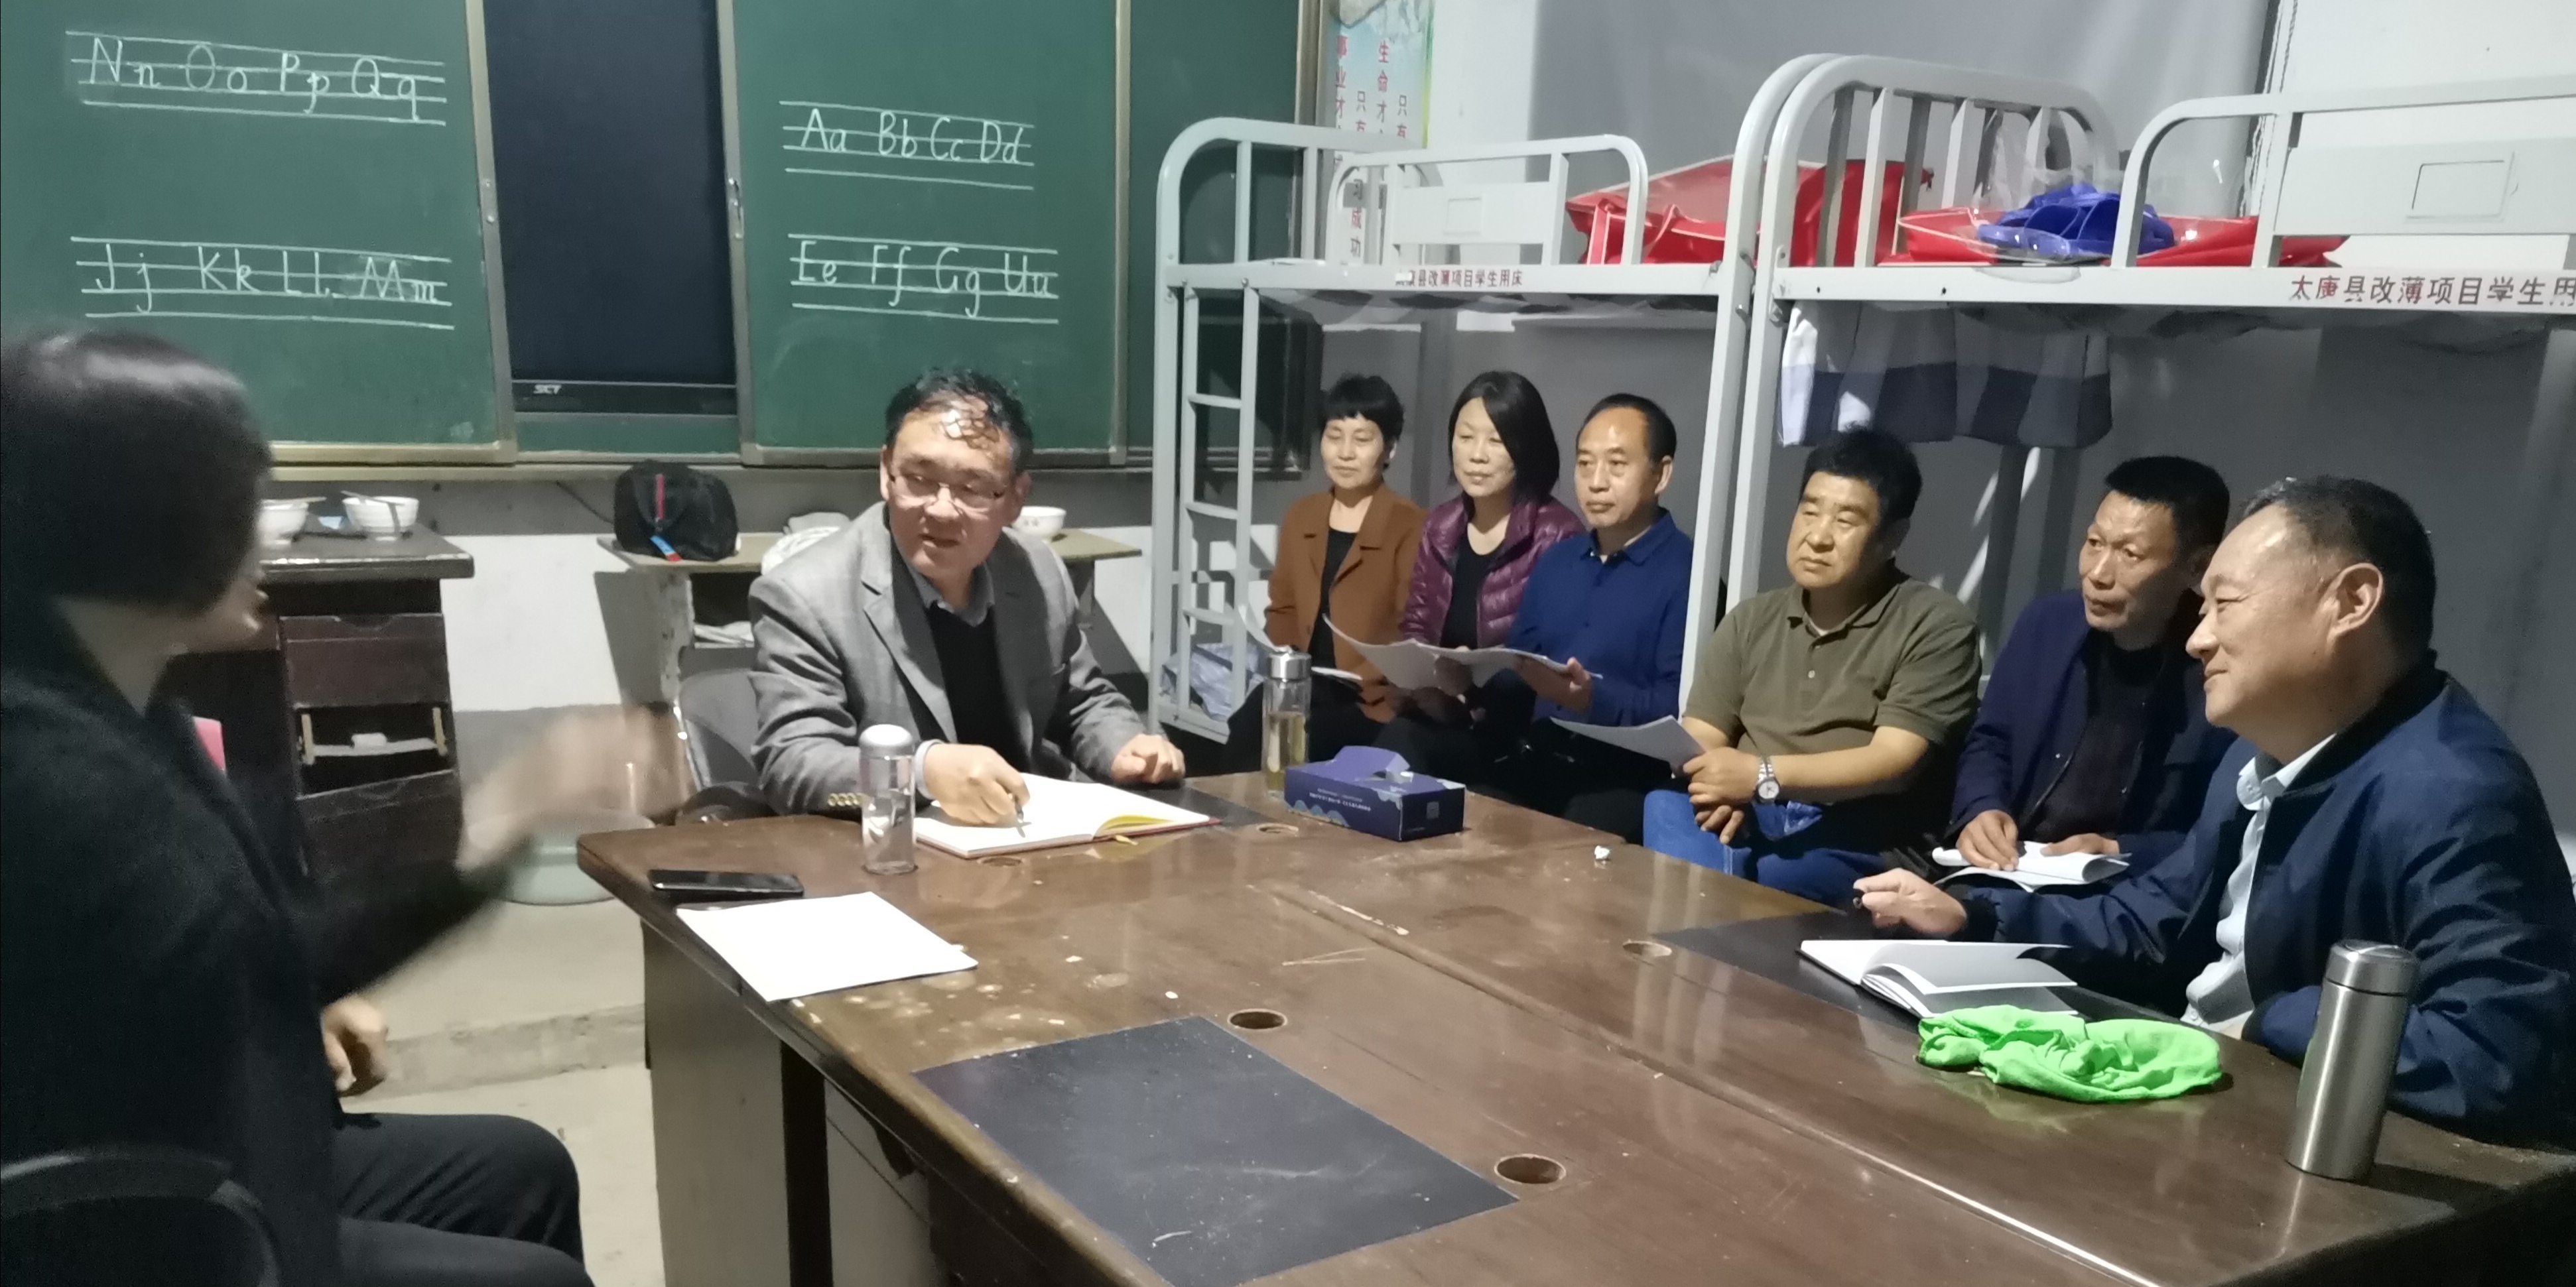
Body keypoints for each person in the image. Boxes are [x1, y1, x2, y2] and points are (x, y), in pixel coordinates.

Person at [1, 330, 676, 1286]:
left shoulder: (127, 698)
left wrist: (305, 992)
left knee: (522, 1165)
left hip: (214, 1140)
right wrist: (506, 817)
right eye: (242, 500)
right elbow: (274, 966)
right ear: (150, 519)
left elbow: (253, 946)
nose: (267, 535)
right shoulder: (51, 768)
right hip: (150, 1225)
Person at [1857, 478, 2575, 1140]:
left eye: (2224, 605)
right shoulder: (2259, 754)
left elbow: (2496, 1056)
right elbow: (2157, 920)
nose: (2198, 638)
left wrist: (2270, 1020)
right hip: (2204, 1097)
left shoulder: (2452, 791)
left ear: (2352, 602)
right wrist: (1976, 915)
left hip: (2298, 1143)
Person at [751, 369, 1185, 824]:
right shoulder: (804, 595)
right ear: (886, 472)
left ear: (1015, 498)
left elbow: (1082, 701)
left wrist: (1124, 747)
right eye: (919, 479)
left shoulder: (1038, 571)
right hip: (897, 846)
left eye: (972, 488)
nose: (941, 509)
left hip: (1026, 835)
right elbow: (792, 763)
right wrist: (921, 772)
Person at [1648, 430, 1983, 904]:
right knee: (1665, 806)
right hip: (1751, 809)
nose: (1818, 537)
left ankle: (1702, 926)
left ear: (1892, 538)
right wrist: (1719, 788)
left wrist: (1761, 776)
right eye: (1809, 511)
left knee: (1770, 873)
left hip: (1861, 830)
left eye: (1845, 520)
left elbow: (1895, 762)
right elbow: (1702, 734)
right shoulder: (1752, 619)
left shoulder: (1936, 623)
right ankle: (1708, 922)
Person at [1950, 457, 2236, 875]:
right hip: (2011, 867)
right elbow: (1991, 741)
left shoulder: (2223, 662)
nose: (2098, 574)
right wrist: (1981, 807)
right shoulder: (2047, 624)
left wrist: (2122, 849)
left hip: (2132, 887)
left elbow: (2222, 826)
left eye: (2130, 554)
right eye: (2095, 543)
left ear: (2197, 566)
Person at [1478, 393, 1695, 840]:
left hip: (1624, 778)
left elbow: (1680, 711)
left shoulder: (1689, 575)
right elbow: (1521, 664)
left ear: (1661, 474)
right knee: (1465, 811)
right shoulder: (1558, 561)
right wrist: (1469, 674)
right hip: (1539, 756)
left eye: (1616, 465)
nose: (1596, 482)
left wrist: (1591, 698)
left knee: (1569, 841)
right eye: (1584, 464)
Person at [1376, 371, 1582, 772]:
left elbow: (1557, 665)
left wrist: (1470, 696)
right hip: (1447, 716)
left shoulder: (1559, 535)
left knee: (1401, 748)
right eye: (1466, 437)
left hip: (1517, 735)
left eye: (1496, 441)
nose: (1477, 455)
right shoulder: (1440, 525)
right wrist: (1421, 687)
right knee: (1387, 746)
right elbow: (1417, 626)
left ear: (1527, 448)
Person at [1263, 375, 1425, 761]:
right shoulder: (1302, 516)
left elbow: (1412, 627)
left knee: (1304, 741)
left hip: (1372, 700)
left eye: (1362, 439)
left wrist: (1371, 677)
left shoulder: (1412, 525)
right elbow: (1282, 608)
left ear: (1390, 449)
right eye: (1334, 437)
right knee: (1245, 729)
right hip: (1303, 685)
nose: (1345, 453)